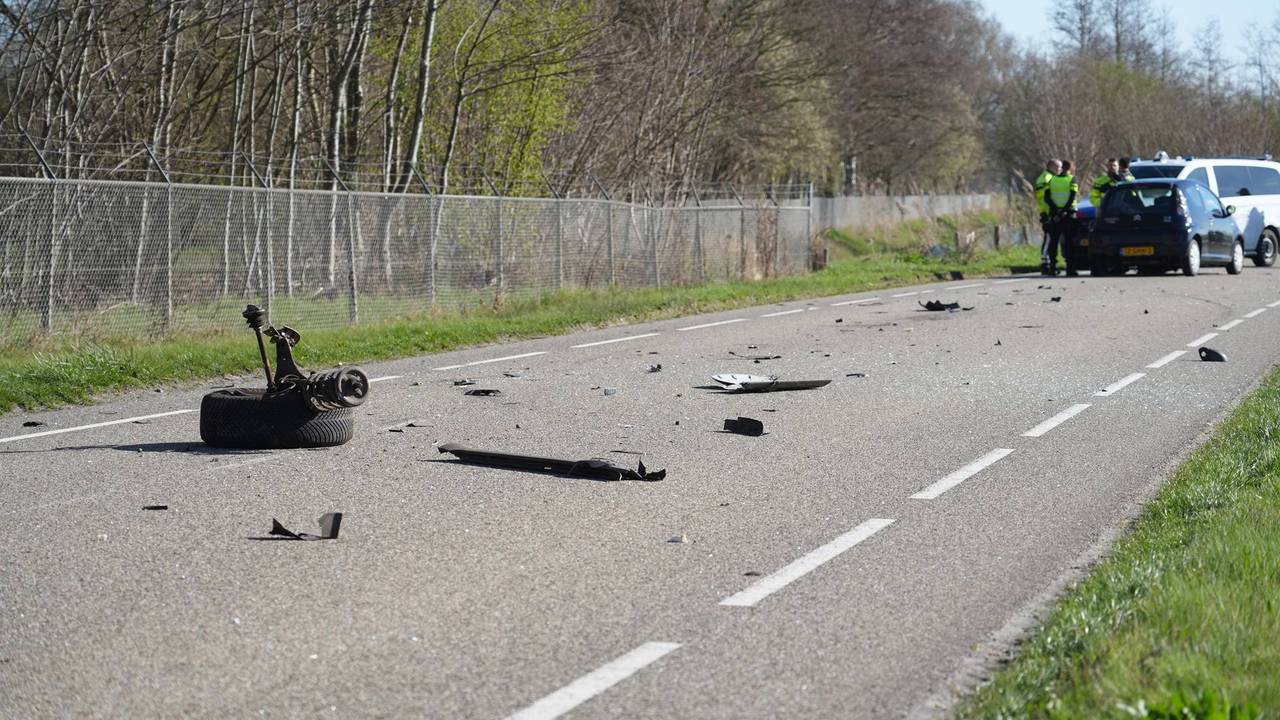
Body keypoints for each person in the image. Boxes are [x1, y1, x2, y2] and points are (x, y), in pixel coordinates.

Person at [1044, 160, 1080, 276]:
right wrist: (1064, 210)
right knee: (1069, 242)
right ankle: (1070, 269)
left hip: (1055, 215)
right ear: (1070, 168)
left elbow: (1047, 198)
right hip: (1068, 215)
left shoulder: (1052, 179)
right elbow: (1072, 196)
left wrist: (1056, 210)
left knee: (1053, 242)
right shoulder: (1072, 179)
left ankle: (1052, 267)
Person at [1035, 159, 1062, 273]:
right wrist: (1048, 212)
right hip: (1047, 212)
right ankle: (1044, 262)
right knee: (1048, 237)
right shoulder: (1046, 178)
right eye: (1058, 168)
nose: (1060, 170)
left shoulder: (1049, 177)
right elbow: (1043, 198)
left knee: (1051, 238)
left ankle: (1049, 262)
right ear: (1052, 167)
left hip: (1050, 212)